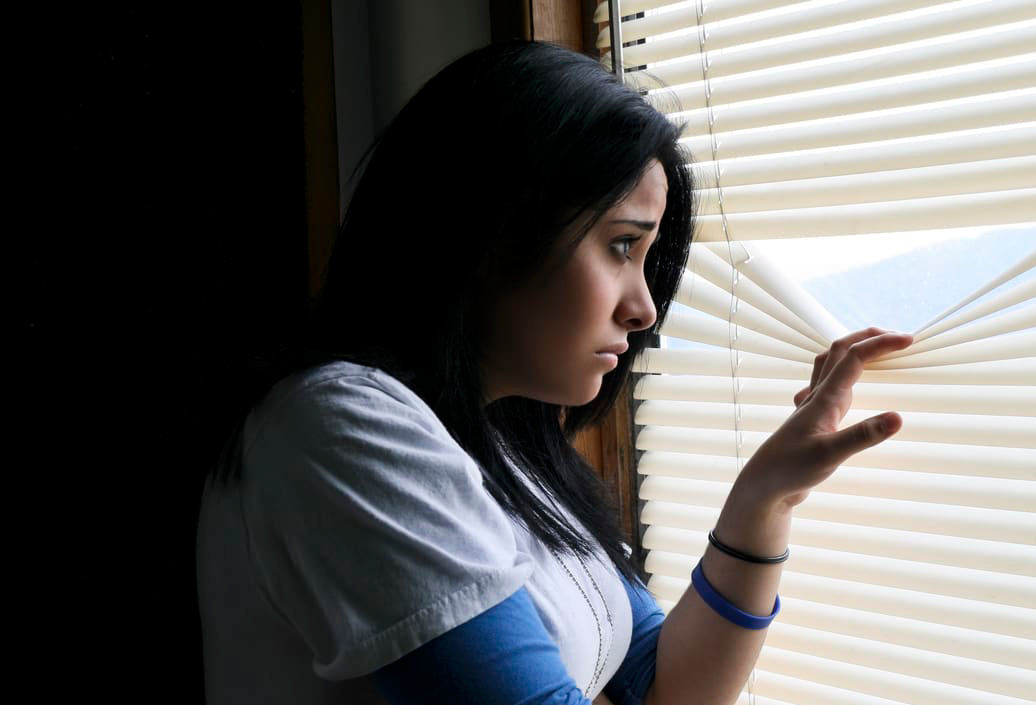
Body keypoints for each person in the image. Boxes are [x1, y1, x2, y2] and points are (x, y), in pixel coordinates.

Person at [196, 40, 912, 705]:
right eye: (620, 246)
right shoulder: (342, 428)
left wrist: (764, 500)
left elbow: (664, 685)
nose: (644, 311)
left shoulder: (501, 442)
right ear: (488, 228)